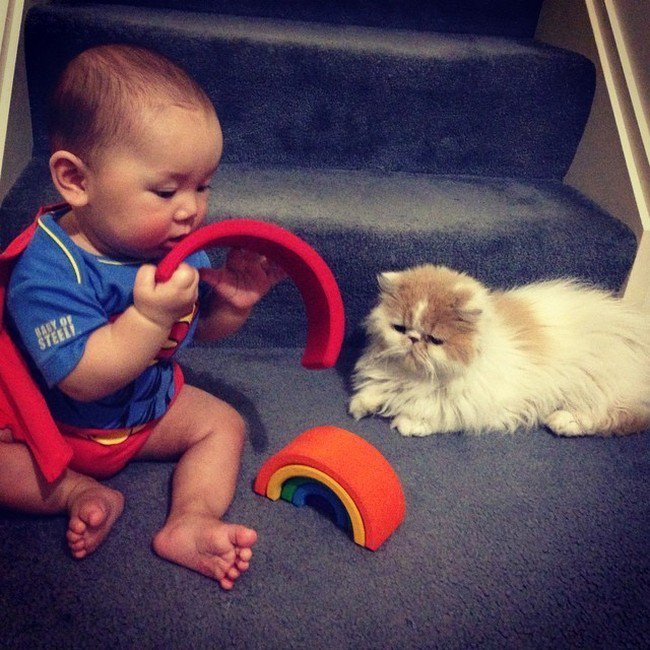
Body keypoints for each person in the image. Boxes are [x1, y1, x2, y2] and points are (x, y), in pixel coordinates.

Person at [0, 44, 284, 589]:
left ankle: (191, 519)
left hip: (147, 411)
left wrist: (231, 306)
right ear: (76, 180)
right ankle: (75, 492)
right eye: (167, 189)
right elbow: (82, 379)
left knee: (223, 424)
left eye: (203, 186)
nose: (191, 209)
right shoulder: (48, 270)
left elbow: (186, 334)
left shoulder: (171, 244)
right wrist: (148, 317)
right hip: (61, 427)